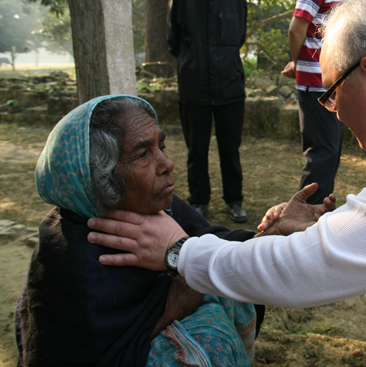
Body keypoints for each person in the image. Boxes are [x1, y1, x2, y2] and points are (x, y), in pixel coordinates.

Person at [89, 0, 366, 365]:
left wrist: (178, 251)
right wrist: (330, 229)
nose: (333, 111)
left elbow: (302, 272)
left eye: (331, 94)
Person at [14, 95, 261, 367]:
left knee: (227, 281)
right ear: (101, 177)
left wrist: (277, 230)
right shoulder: (72, 260)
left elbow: (215, 241)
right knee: (211, 336)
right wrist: (171, 314)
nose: (167, 163)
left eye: (161, 146)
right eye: (143, 154)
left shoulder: (154, 206)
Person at [167, 0, 249, 222]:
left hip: (230, 85)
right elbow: (173, 40)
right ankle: (198, 201)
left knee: (231, 149)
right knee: (196, 150)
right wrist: (193, 59)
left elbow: (240, 35)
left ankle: (234, 200)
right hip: (194, 86)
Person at [280, 0, 345, 205]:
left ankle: (319, 212)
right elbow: (296, 29)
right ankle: (305, 216)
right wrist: (299, 64)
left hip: (335, 83)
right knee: (323, 153)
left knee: (331, 153)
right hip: (316, 84)